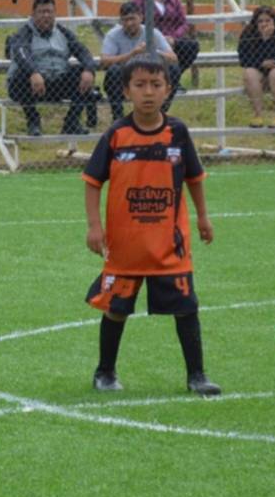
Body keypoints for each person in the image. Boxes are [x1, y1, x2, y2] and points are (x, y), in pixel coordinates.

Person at [82, 54, 217, 397]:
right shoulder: (116, 135)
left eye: (156, 85)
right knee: (116, 309)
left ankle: (197, 376)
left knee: (187, 308)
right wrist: (94, 227)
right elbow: (92, 181)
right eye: (140, 85)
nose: (148, 92)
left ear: (168, 89)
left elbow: (195, 177)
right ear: (126, 90)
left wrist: (202, 216)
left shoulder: (178, 132)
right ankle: (105, 372)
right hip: (126, 245)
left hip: (169, 244)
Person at [6, 0, 98, 137]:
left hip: (56, 85)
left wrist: (89, 70)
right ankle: (33, 121)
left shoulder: (63, 32)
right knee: (20, 75)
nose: (46, 15)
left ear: (55, 14)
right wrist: (33, 73)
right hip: (30, 86)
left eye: (49, 11)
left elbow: (83, 51)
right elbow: (21, 53)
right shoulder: (24, 33)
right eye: (42, 12)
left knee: (82, 73)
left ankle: (71, 123)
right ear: (33, 14)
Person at [100, 1, 179, 122]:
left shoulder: (151, 32)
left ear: (141, 17)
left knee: (173, 69)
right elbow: (104, 61)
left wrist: (154, 51)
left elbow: (173, 58)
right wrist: (133, 54)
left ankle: (161, 111)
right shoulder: (113, 35)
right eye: (125, 20)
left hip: (150, 76)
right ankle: (118, 117)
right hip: (125, 79)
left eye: (132, 19)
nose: (129, 23)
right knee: (113, 71)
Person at [130, 0, 199, 80]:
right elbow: (136, 21)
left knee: (192, 46)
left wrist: (173, 38)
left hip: (171, 39)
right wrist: (157, 37)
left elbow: (184, 23)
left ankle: (172, 78)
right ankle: (165, 79)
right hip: (149, 39)